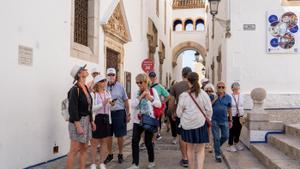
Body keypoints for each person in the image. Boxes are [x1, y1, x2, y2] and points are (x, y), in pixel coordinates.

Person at [177, 72, 212, 169]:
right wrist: (207, 119)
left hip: (187, 125)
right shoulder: (204, 94)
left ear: (188, 81)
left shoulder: (183, 96)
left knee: (190, 149)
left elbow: (179, 113)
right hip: (201, 124)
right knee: (200, 150)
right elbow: (209, 110)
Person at [127, 73, 161, 169]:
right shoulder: (136, 92)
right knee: (134, 141)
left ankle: (151, 161)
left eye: (140, 82)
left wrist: (150, 98)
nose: (139, 84)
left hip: (149, 119)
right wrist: (141, 96)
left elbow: (158, 104)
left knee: (148, 142)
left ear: (146, 82)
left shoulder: (153, 91)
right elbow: (133, 105)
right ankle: (135, 164)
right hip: (137, 120)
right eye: (137, 82)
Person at [67, 64, 96, 169]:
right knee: (74, 149)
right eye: (83, 69)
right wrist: (78, 125)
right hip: (77, 122)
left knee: (84, 148)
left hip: (87, 121)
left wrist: (92, 121)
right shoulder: (75, 89)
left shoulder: (85, 88)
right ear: (79, 74)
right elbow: (72, 109)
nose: (86, 70)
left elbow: (89, 106)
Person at [105, 68, 130, 164]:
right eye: (109, 75)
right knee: (108, 135)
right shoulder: (103, 86)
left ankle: (120, 154)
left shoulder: (120, 86)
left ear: (116, 76)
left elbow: (126, 100)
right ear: (107, 76)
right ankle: (110, 154)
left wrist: (128, 114)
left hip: (119, 113)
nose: (111, 76)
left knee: (120, 135)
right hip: (107, 113)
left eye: (113, 75)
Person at [169, 66, 192, 167]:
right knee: (190, 135)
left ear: (182, 74)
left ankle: (185, 158)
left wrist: (172, 113)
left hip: (180, 114)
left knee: (182, 136)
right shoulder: (195, 86)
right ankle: (191, 157)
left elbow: (171, 102)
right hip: (192, 114)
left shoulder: (176, 86)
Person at [90, 75, 115, 169]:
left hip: (106, 118)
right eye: (103, 81)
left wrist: (112, 104)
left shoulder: (107, 93)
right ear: (98, 83)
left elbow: (110, 106)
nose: (105, 82)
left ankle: (101, 163)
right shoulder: (93, 94)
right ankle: (93, 163)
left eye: (105, 81)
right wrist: (102, 104)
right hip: (97, 119)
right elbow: (91, 109)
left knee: (104, 142)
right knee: (94, 142)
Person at [211, 81, 233, 163]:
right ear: (217, 88)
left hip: (224, 120)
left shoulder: (228, 97)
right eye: (219, 87)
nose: (221, 88)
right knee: (216, 138)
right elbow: (209, 106)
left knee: (226, 136)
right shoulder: (213, 96)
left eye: (222, 87)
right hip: (214, 120)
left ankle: (216, 146)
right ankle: (217, 155)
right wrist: (215, 99)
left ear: (225, 88)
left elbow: (229, 109)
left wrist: (230, 120)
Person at [148, 71, 170, 141]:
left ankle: (157, 134)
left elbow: (168, 96)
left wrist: (162, 103)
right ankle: (152, 136)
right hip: (149, 107)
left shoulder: (159, 86)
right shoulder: (147, 86)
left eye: (153, 77)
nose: (152, 78)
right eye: (150, 77)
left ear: (155, 78)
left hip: (156, 107)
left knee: (157, 121)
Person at [227, 82, 245, 152]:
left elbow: (242, 105)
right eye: (234, 88)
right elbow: (228, 106)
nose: (236, 90)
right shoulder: (229, 96)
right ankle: (230, 144)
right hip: (232, 115)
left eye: (237, 88)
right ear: (232, 89)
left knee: (238, 130)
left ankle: (236, 142)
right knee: (232, 130)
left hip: (240, 115)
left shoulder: (242, 95)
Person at [204, 83, 217, 153]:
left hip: (212, 116)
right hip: (205, 116)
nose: (208, 92)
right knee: (206, 129)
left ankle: (209, 143)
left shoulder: (214, 97)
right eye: (207, 91)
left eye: (210, 91)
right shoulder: (203, 97)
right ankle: (206, 143)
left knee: (210, 130)